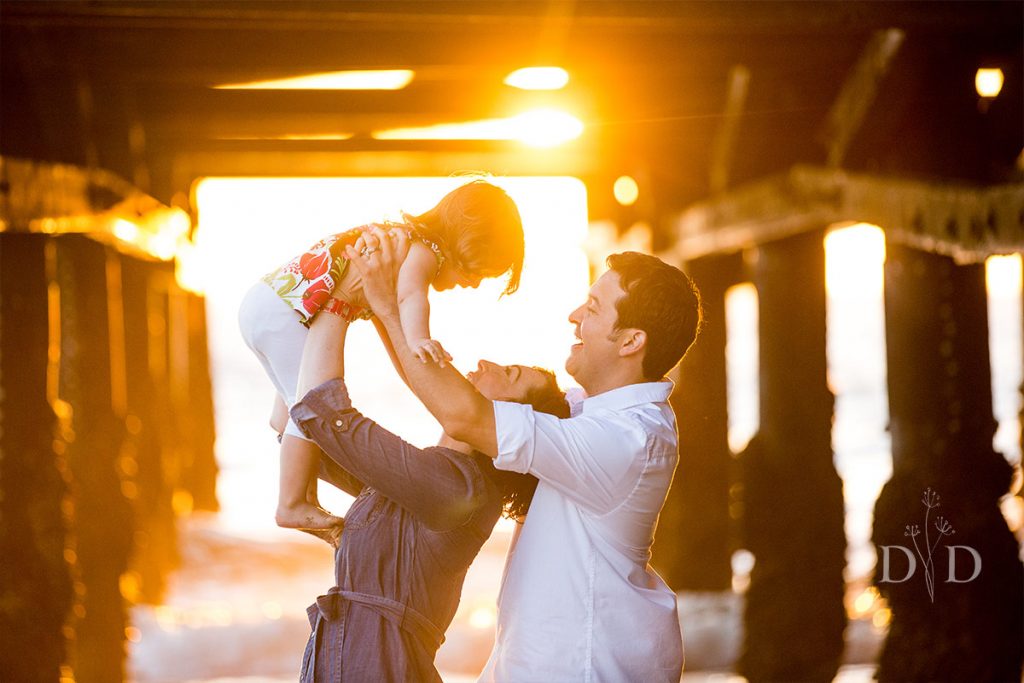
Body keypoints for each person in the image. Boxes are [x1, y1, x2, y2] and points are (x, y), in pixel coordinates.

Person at [346, 227, 703, 682]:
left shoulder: (625, 440)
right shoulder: (586, 410)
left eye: (592, 309)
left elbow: (464, 416)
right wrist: (385, 307)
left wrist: (385, 307)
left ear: (631, 341)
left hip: (587, 669)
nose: (574, 315)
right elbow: (458, 399)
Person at [287, 307, 570, 682]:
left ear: (510, 417)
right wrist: (299, 323)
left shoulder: (462, 491)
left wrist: (338, 304)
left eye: (508, 373)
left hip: (376, 666)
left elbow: (326, 417)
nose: (486, 363)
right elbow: (298, 430)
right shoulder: (428, 478)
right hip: (346, 662)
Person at [237, 179, 524, 542]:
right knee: (310, 403)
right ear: (467, 244)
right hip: (286, 315)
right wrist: (420, 338)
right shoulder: (423, 251)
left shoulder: (400, 241)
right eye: (477, 274)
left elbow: (390, 317)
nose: (472, 286)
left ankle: (304, 494)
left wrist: (417, 364)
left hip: (268, 305)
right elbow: (409, 300)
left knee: (293, 410)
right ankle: (291, 504)